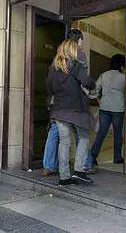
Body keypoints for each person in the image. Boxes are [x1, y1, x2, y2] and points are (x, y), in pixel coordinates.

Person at [47, 38, 95, 186]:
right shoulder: (76, 65)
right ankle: (79, 171)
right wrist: (92, 83)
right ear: (72, 50)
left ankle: (64, 177)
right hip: (76, 110)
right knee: (84, 137)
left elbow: (49, 89)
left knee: (64, 143)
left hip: (59, 110)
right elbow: (86, 81)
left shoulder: (53, 68)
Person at [85, 54, 126, 171]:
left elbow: (95, 91)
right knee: (118, 133)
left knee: (102, 133)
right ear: (122, 65)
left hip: (104, 107)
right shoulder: (124, 77)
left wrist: (99, 99)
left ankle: (93, 156)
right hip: (118, 108)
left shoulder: (104, 75)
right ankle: (117, 157)